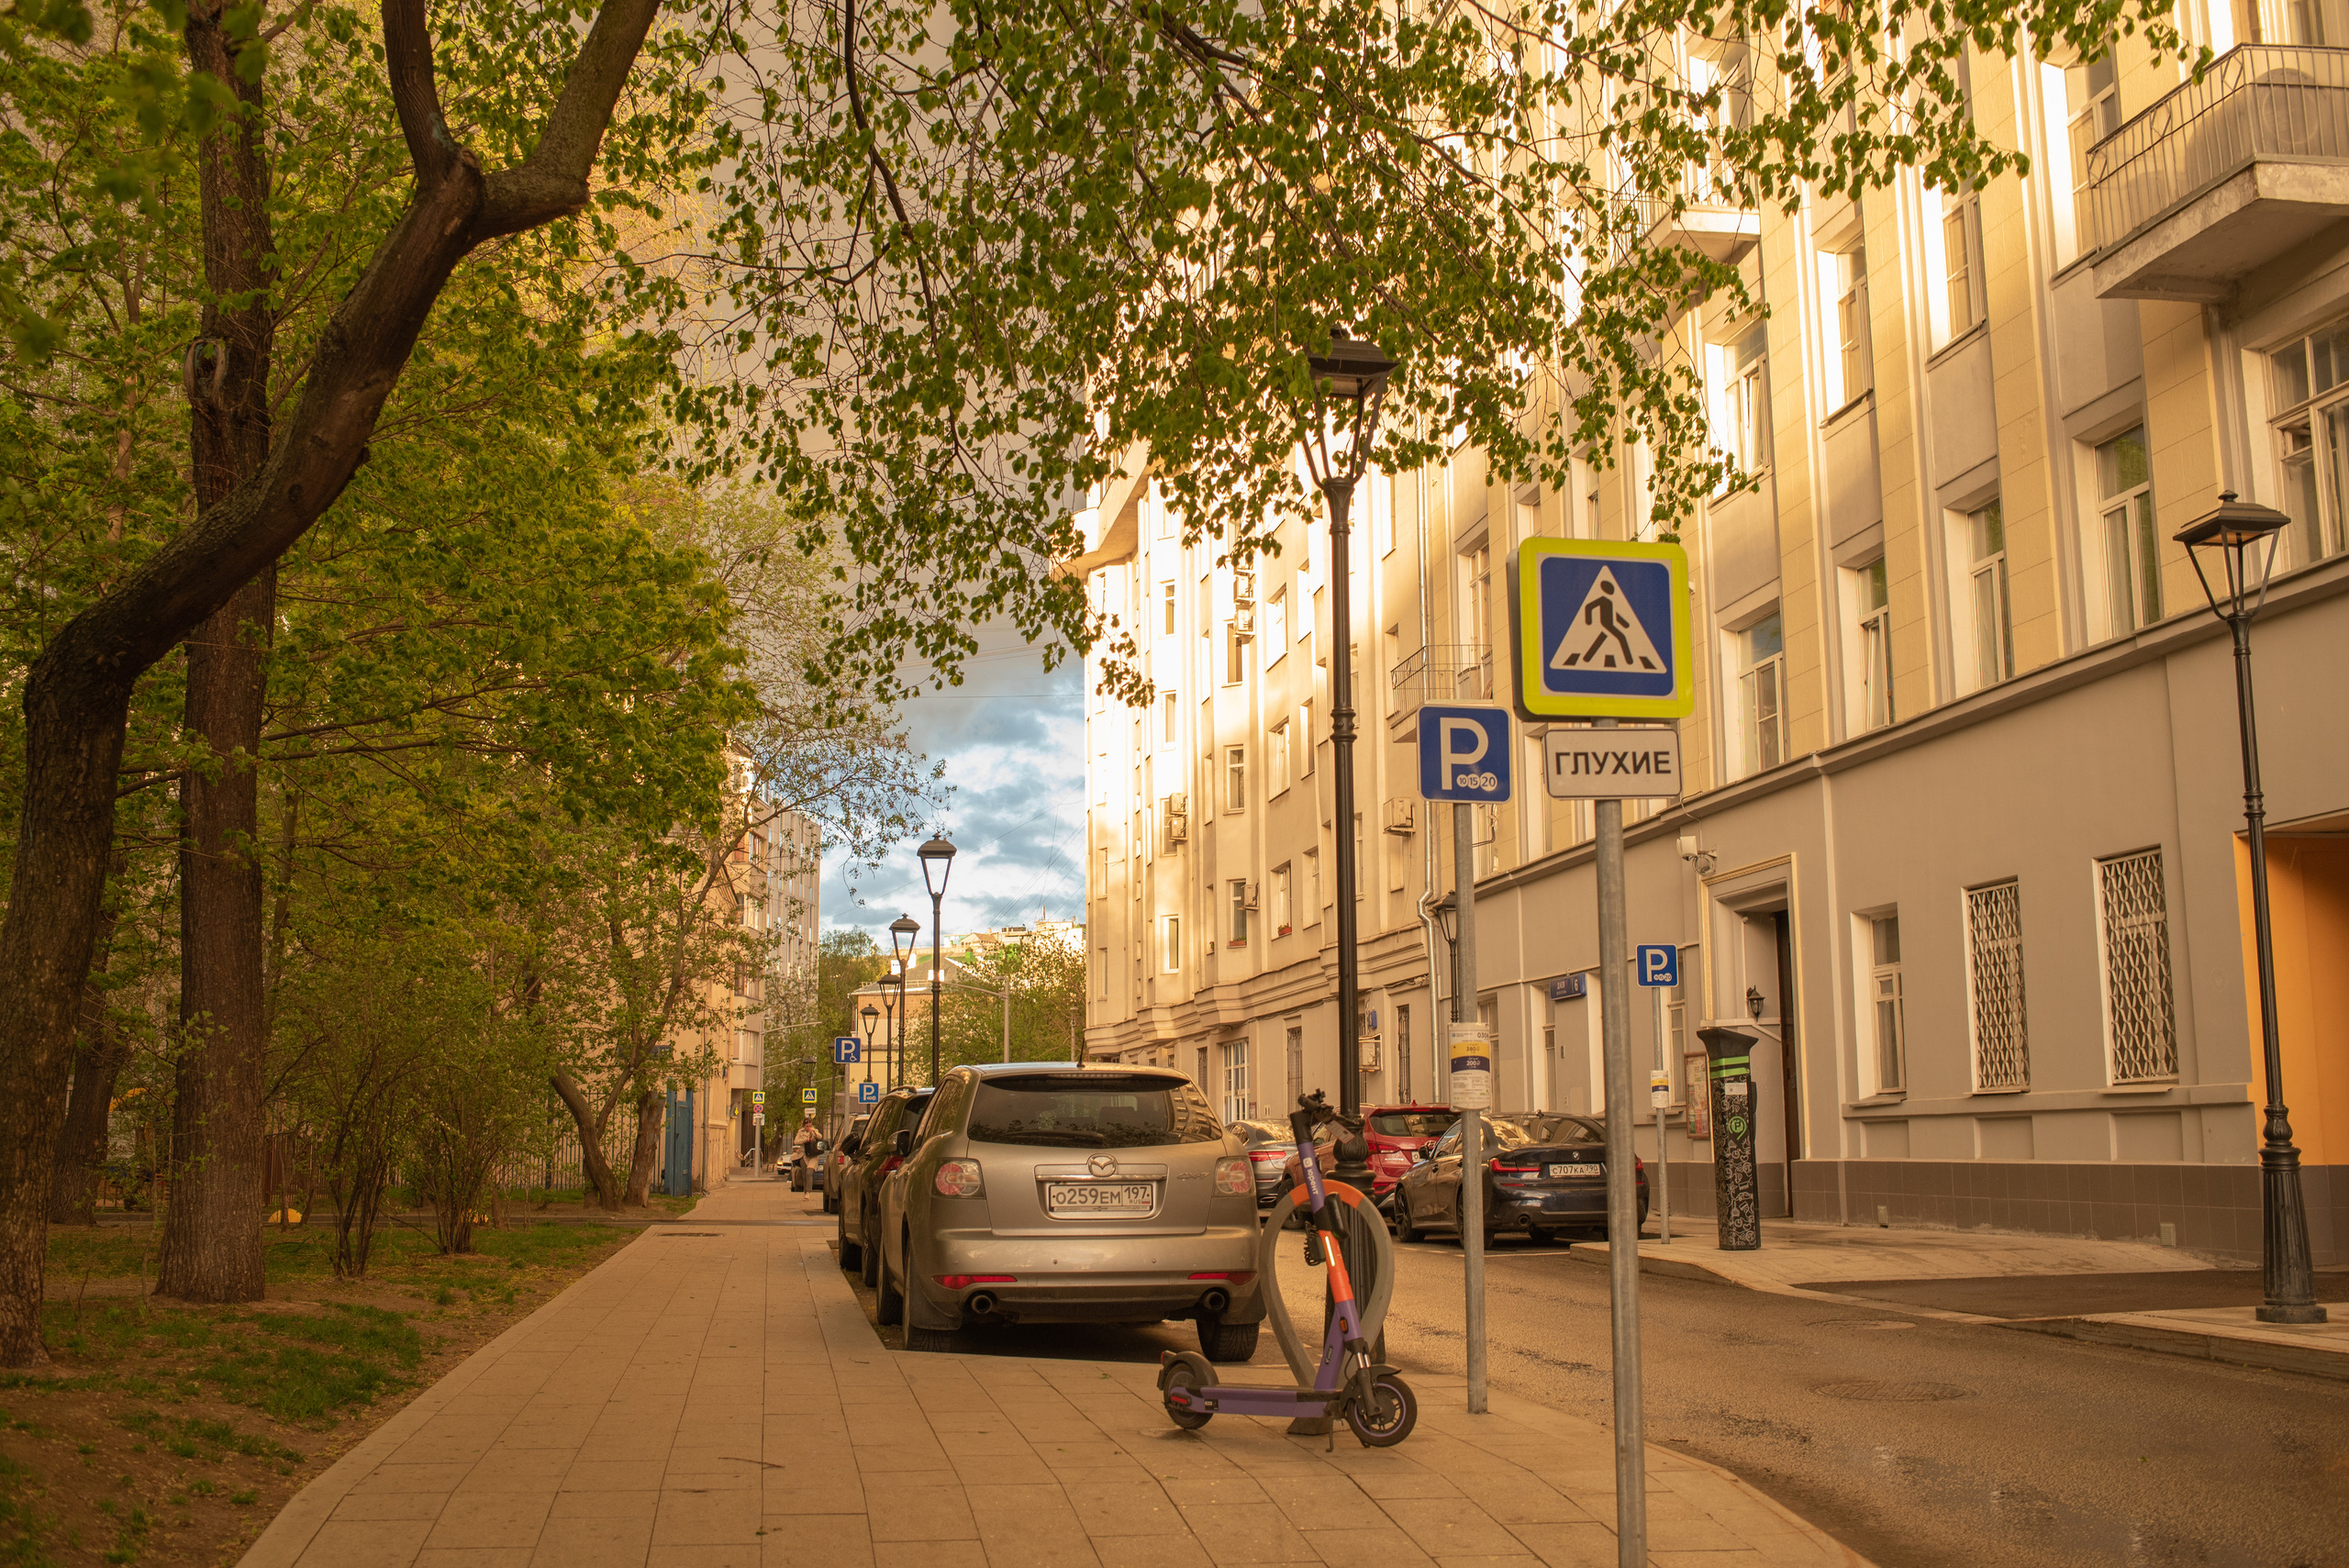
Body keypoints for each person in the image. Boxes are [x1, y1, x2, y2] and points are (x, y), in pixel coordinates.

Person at [790, 1117, 819, 1190]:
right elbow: (796, 1141)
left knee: (809, 1173)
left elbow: (820, 1136)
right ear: (804, 1126)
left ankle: (808, 1191)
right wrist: (805, 1140)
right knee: (804, 1174)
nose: (808, 1127)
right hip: (803, 1155)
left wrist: (813, 1132)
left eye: (810, 1126)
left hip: (813, 1155)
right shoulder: (800, 1132)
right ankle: (806, 1191)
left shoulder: (814, 1131)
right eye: (807, 1126)